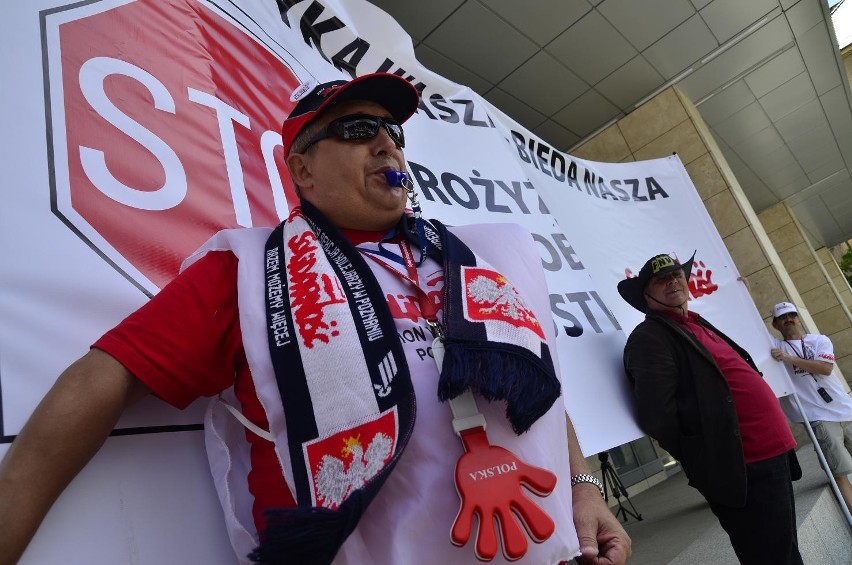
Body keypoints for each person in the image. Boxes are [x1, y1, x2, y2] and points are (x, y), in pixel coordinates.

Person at [0, 73, 630, 565]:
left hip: (556, 549)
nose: (386, 143)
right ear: (300, 168)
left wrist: (583, 486)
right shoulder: (249, 272)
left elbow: (539, 383)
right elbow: (101, 377)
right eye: (357, 130)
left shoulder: (486, 256)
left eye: (393, 132)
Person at [618, 253, 803, 565]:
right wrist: (707, 461)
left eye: (677, 275)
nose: (672, 281)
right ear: (645, 295)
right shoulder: (649, 338)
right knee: (773, 558)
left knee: (784, 553)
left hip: (772, 455)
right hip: (744, 468)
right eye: (660, 280)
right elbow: (658, 418)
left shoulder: (695, 322)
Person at [770, 300, 852, 510]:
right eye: (782, 318)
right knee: (839, 472)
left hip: (845, 410)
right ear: (775, 324)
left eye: (791, 315)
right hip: (818, 417)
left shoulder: (819, 340)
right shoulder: (774, 346)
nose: (788, 320)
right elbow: (748, 326)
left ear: (798, 318)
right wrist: (746, 292)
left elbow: (825, 368)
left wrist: (789, 359)